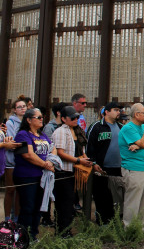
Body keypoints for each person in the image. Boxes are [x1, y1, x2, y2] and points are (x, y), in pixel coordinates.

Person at [13, 108, 56, 239]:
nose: (41, 119)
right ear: (29, 120)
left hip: (42, 176)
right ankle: (23, 236)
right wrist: (45, 164)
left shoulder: (42, 135)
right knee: (28, 207)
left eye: (42, 117)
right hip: (26, 176)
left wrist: (51, 162)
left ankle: (33, 235)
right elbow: (28, 155)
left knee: (38, 207)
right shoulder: (23, 134)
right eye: (38, 117)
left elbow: (53, 148)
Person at [51, 106, 92, 237]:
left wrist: (87, 160)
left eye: (77, 117)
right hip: (64, 171)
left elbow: (81, 150)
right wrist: (78, 161)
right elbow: (60, 153)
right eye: (72, 118)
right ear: (63, 119)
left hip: (75, 171)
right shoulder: (61, 132)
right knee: (64, 203)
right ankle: (62, 231)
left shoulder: (77, 130)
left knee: (70, 204)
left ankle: (67, 229)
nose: (76, 120)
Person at [86, 101, 124, 223]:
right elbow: (89, 147)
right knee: (101, 195)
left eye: (119, 110)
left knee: (117, 196)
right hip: (101, 167)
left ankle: (115, 219)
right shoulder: (97, 126)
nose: (118, 112)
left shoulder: (121, 127)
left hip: (118, 168)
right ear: (106, 112)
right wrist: (93, 163)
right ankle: (102, 221)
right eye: (115, 110)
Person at [118, 103, 144, 227]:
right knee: (133, 200)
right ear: (136, 114)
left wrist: (139, 145)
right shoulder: (128, 128)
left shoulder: (142, 128)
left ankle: (141, 227)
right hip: (134, 168)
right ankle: (129, 228)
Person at [4, 99, 27, 221]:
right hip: (11, 160)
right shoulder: (10, 123)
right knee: (10, 189)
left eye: (24, 106)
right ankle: (8, 218)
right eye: (19, 107)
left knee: (19, 190)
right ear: (14, 110)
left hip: (24, 160)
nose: (23, 108)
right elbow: (13, 141)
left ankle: (17, 218)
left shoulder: (27, 121)